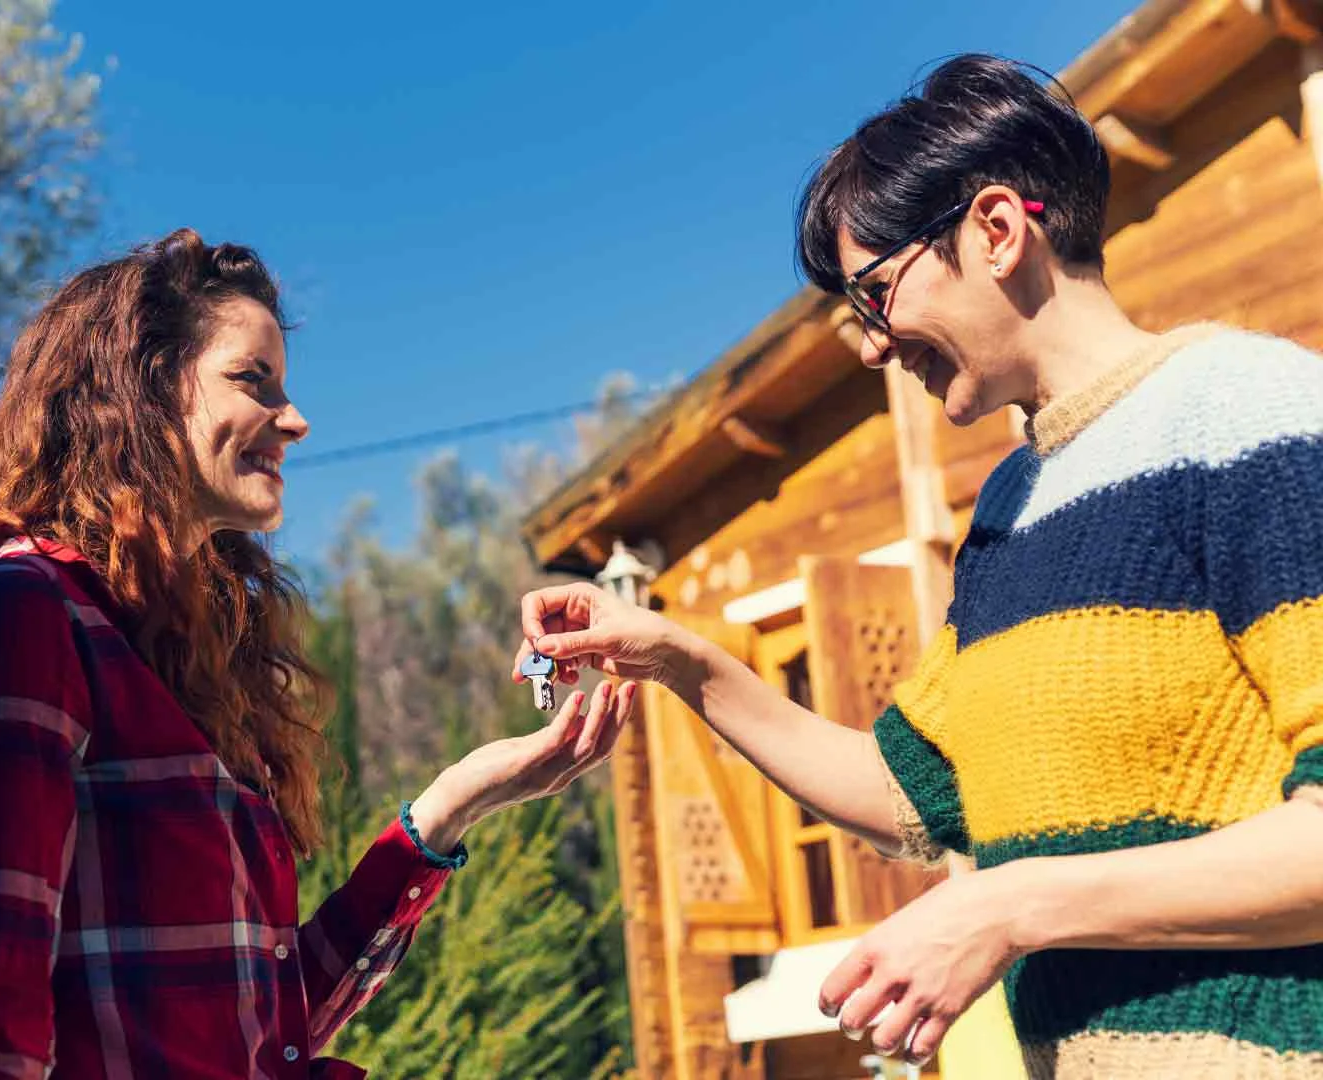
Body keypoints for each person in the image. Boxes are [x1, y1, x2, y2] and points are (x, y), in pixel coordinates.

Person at [516, 55, 1323, 1078]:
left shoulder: (1254, 415)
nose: (868, 344)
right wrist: (677, 658)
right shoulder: (1011, 508)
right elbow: (912, 791)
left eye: (875, 292)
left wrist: (1009, 904)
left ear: (996, 230)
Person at [0, 228, 631, 1078]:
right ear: (140, 389)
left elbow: (268, 1029)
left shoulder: (190, 668)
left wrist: (451, 808)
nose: (298, 420)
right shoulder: (17, 617)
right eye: (252, 381)